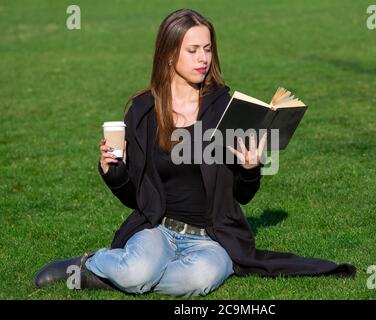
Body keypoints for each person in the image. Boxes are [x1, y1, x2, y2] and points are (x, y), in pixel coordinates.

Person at [34, 8, 356, 298]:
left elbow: (242, 197)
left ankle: (119, 275)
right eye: (193, 50)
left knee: (195, 280)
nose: (203, 58)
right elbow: (137, 198)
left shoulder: (225, 110)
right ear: (170, 55)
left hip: (212, 239)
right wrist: (114, 174)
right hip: (157, 229)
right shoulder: (144, 111)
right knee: (139, 270)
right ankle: (92, 264)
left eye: (207, 48)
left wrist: (250, 168)